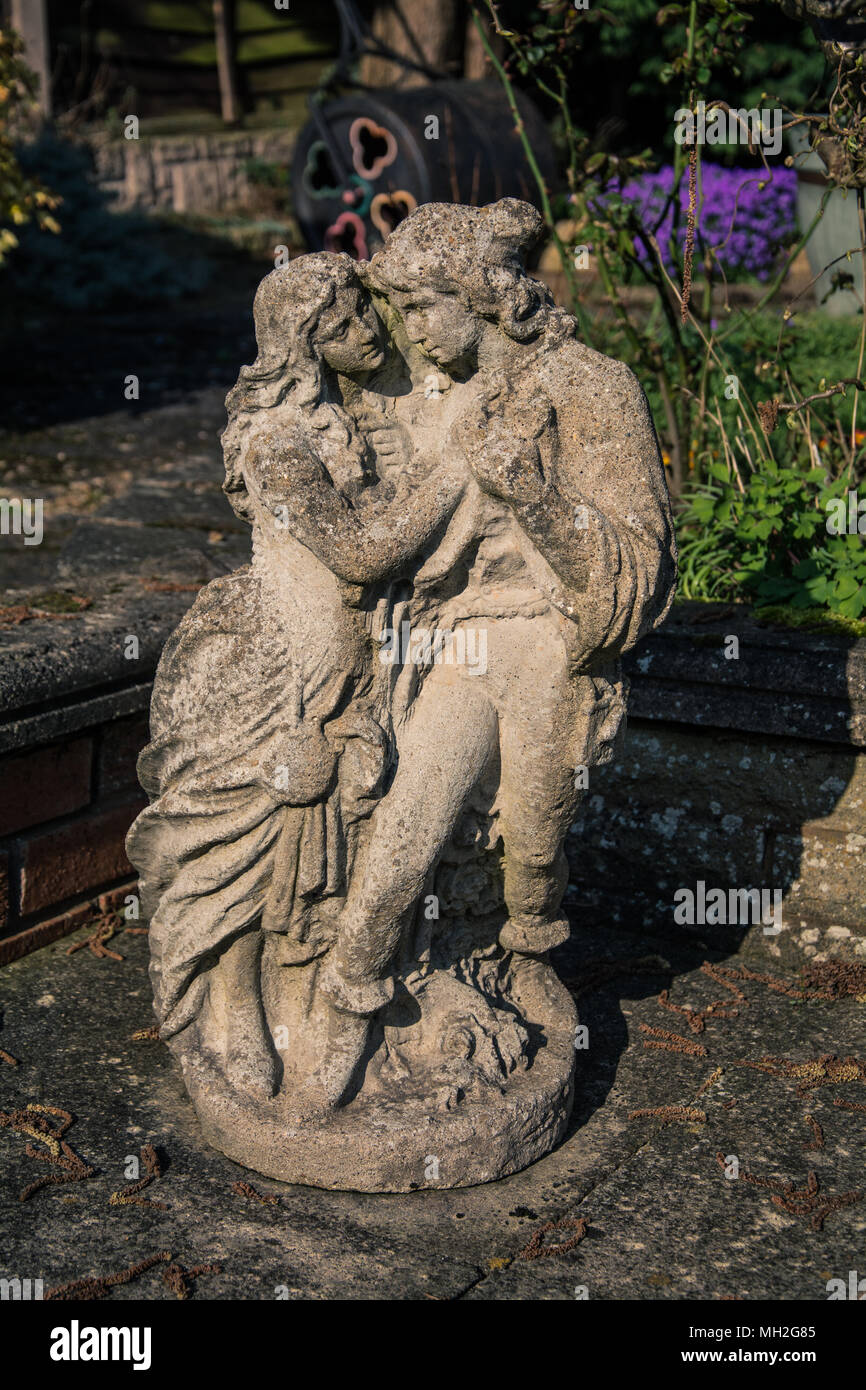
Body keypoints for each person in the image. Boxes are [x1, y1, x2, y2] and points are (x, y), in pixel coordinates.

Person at [307, 199, 678, 1107]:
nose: (412, 331)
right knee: (409, 826)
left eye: (425, 307)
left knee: (534, 855)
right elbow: (398, 540)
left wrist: (539, 496)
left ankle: (526, 975)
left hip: (552, 650)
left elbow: (643, 572)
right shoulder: (455, 400)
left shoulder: (595, 388)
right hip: (465, 644)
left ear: (483, 297)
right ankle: (343, 1018)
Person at [128, 253, 462, 1099]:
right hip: (276, 666)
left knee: (325, 843)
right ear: (298, 347)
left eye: (360, 309)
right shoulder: (277, 443)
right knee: (245, 841)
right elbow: (360, 552)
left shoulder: (351, 418)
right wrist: (463, 464)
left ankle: (315, 997)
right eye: (335, 325)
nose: (362, 330)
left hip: (356, 661)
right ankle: (233, 998)